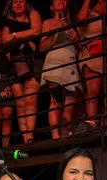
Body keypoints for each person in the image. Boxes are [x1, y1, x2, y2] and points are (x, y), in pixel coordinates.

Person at [40, 0, 81, 139]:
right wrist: (56, 30)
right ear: (51, 7)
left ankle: (65, 134)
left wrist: (76, 39)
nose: (62, 1)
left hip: (70, 60)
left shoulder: (74, 22)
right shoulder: (48, 23)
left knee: (70, 101)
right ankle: (55, 136)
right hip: (55, 60)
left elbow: (80, 47)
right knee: (56, 100)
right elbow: (42, 47)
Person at [3, 0, 41, 144]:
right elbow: (4, 41)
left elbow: (36, 31)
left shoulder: (33, 14)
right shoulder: (8, 21)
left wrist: (14, 36)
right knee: (20, 104)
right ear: (11, 6)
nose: (18, 3)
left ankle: (30, 135)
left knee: (30, 99)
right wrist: (25, 38)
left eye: (21, 1)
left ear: (26, 3)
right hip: (15, 64)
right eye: (15, 1)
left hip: (30, 62)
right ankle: (26, 139)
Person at [77, 0, 107, 129]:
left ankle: (97, 123)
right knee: (93, 91)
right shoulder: (89, 14)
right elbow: (81, 18)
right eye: (104, 3)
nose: (106, 7)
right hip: (91, 55)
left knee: (98, 92)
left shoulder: (103, 21)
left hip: (101, 58)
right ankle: (92, 125)